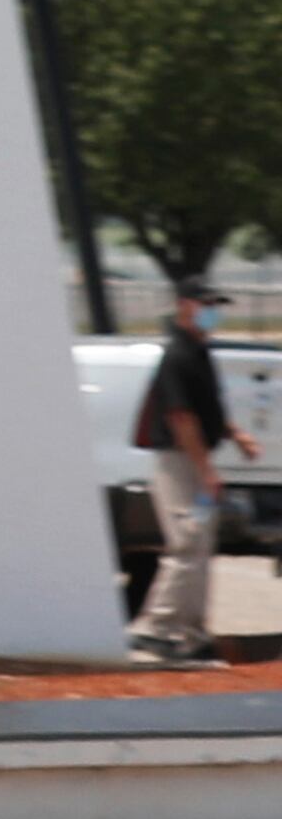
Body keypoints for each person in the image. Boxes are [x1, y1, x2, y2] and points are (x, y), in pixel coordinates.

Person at [129, 278, 260, 665]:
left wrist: (237, 435)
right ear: (184, 305)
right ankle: (156, 629)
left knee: (200, 541)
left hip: (195, 462)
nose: (212, 310)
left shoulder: (200, 352)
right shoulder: (178, 355)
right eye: (206, 302)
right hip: (180, 463)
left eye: (216, 303)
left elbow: (207, 410)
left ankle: (190, 631)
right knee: (187, 539)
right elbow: (182, 418)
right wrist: (206, 472)